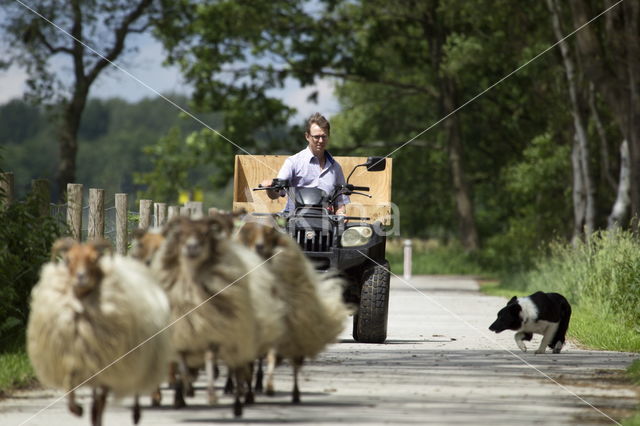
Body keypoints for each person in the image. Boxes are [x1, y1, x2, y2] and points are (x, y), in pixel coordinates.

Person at [261, 112, 350, 215]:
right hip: (294, 221)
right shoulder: (293, 162)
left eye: (324, 136)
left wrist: (341, 214)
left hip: (325, 223)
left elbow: (340, 203)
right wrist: (270, 187)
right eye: (316, 137)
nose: (320, 141)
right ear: (307, 136)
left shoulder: (336, 168)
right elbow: (275, 194)